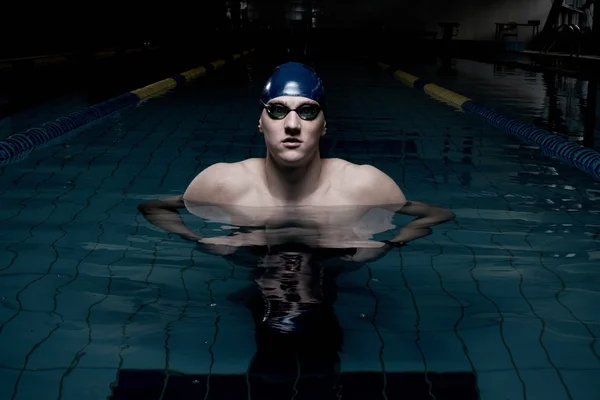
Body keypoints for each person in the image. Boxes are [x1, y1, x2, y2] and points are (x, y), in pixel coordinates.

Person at [138, 62, 456, 257]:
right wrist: (198, 240)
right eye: (277, 110)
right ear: (260, 122)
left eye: (307, 111)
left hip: (337, 267)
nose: (292, 125)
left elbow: (436, 214)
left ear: (324, 124)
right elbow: (154, 207)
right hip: (257, 265)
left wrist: (392, 245)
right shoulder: (223, 182)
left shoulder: (365, 184)